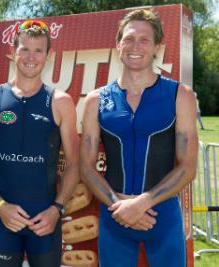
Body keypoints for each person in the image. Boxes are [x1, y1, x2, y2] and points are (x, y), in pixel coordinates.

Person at [80, 9, 198, 267]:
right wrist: (119, 205)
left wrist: (142, 203)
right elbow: (86, 167)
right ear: (118, 44)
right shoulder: (96, 100)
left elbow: (188, 168)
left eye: (144, 40)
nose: (136, 46)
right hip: (115, 215)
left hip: (162, 215)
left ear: (157, 47)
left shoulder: (180, 96)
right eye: (129, 38)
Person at [0, 19, 79, 267]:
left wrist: (57, 209)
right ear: (12, 53)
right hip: (2, 218)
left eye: (39, 50)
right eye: (24, 49)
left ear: (49, 55)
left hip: (45, 219)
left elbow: (74, 163)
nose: (31, 57)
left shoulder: (61, 102)